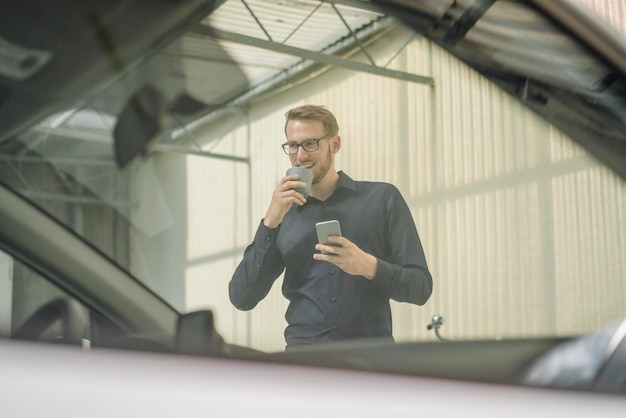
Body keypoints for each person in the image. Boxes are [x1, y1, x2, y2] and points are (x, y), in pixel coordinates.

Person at [229, 104, 433, 348]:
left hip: (371, 361)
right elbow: (242, 297)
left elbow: (421, 288)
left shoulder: (382, 198)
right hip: (304, 364)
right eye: (293, 146)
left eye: (310, 144)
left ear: (335, 144)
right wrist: (269, 222)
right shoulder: (283, 216)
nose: (301, 155)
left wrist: (369, 266)